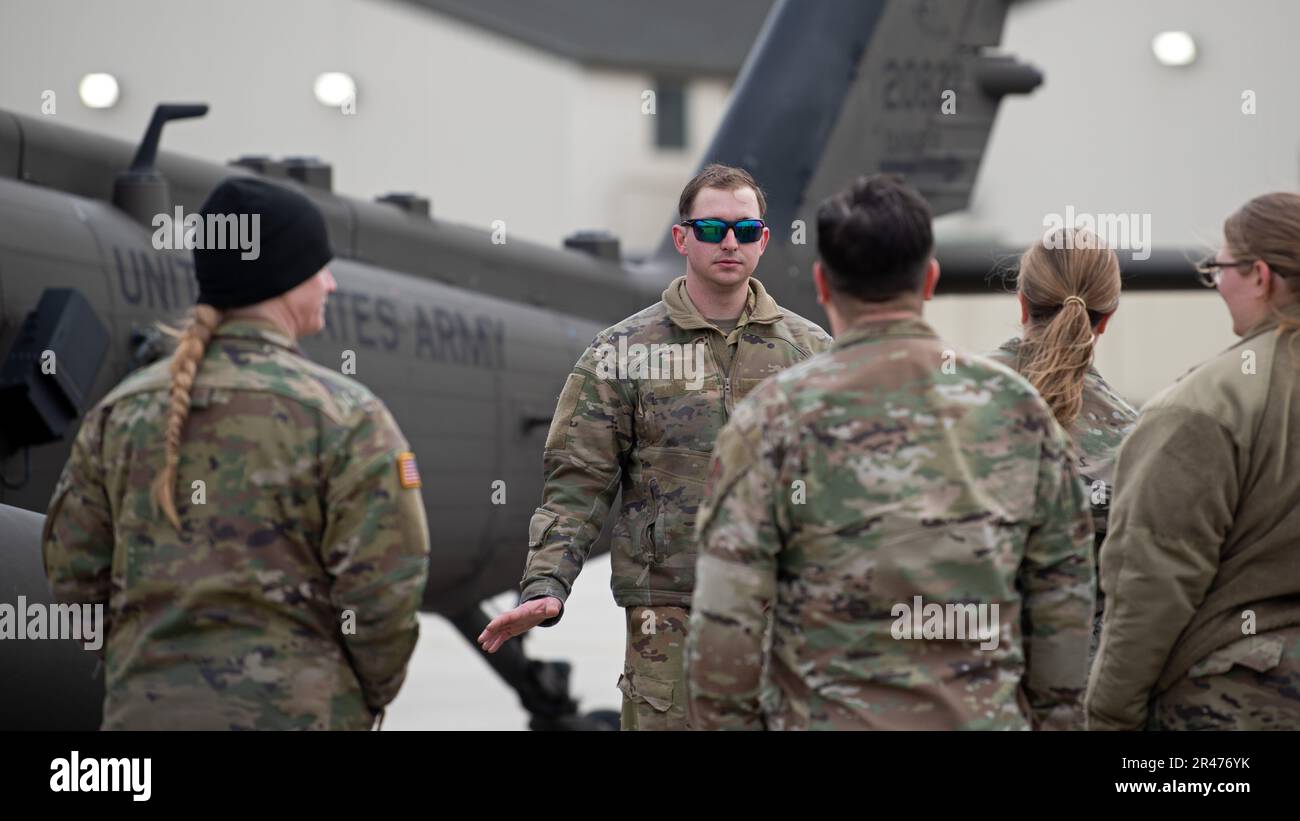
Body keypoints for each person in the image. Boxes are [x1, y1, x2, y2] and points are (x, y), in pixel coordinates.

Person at [686, 174, 1095, 730]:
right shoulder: (1017, 410)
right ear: (929, 279)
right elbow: (1063, 601)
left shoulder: (771, 421)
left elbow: (725, 627)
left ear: (822, 285)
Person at [42, 177, 430, 730]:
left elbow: (74, 575)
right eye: (317, 267)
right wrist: (357, 696)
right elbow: (385, 592)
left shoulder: (118, 413)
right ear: (285, 280)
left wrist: (143, 670)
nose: (331, 284)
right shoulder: (345, 416)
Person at [478, 164, 832, 730]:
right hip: (667, 618)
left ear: (764, 241)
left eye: (745, 230)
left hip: (787, 612)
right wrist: (547, 583)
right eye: (712, 229)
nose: (730, 243)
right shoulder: (621, 352)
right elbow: (577, 481)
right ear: (682, 237)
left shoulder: (810, 353)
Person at [1088, 192, 1300, 731]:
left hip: (1237, 704)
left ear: (1260, 276)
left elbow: (1151, 580)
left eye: (1221, 268)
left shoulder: (1208, 406)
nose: (1217, 283)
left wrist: (1110, 714)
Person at [985, 230, 1138, 651]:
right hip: (1079, 683)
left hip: (967, 682)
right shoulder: (1136, 438)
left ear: (1022, 304)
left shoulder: (948, 401)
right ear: (1106, 318)